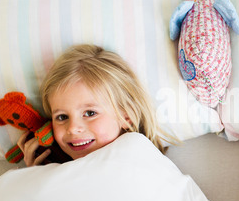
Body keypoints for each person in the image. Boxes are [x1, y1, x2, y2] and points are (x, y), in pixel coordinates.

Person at [18, 44, 173, 166]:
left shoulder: (145, 162)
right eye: (62, 117)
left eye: (90, 113)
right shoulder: (55, 173)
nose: (72, 128)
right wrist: (36, 178)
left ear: (127, 116)